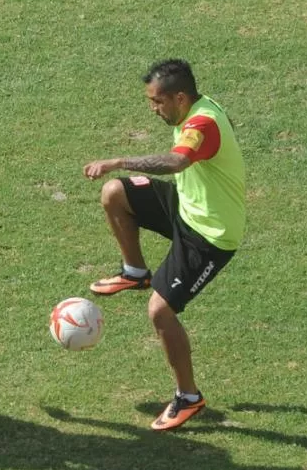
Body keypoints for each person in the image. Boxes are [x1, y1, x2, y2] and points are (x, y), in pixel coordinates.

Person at [83, 59, 245, 431]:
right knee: (115, 194)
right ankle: (134, 272)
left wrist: (119, 160)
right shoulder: (201, 108)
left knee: (160, 312)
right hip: (186, 205)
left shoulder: (202, 124)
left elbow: (175, 162)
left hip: (209, 234)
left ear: (181, 97)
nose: (153, 110)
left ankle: (189, 397)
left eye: (158, 102)